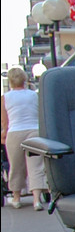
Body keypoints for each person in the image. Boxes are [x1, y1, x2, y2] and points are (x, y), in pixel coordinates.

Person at [2, 67, 49, 210]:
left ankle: (16, 198)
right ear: (25, 79)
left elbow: (4, 121)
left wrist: (3, 134)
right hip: (34, 131)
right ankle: (36, 200)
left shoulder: (5, 98)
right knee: (36, 165)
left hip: (15, 132)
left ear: (10, 81)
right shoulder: (34, 95)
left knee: (16, 165)